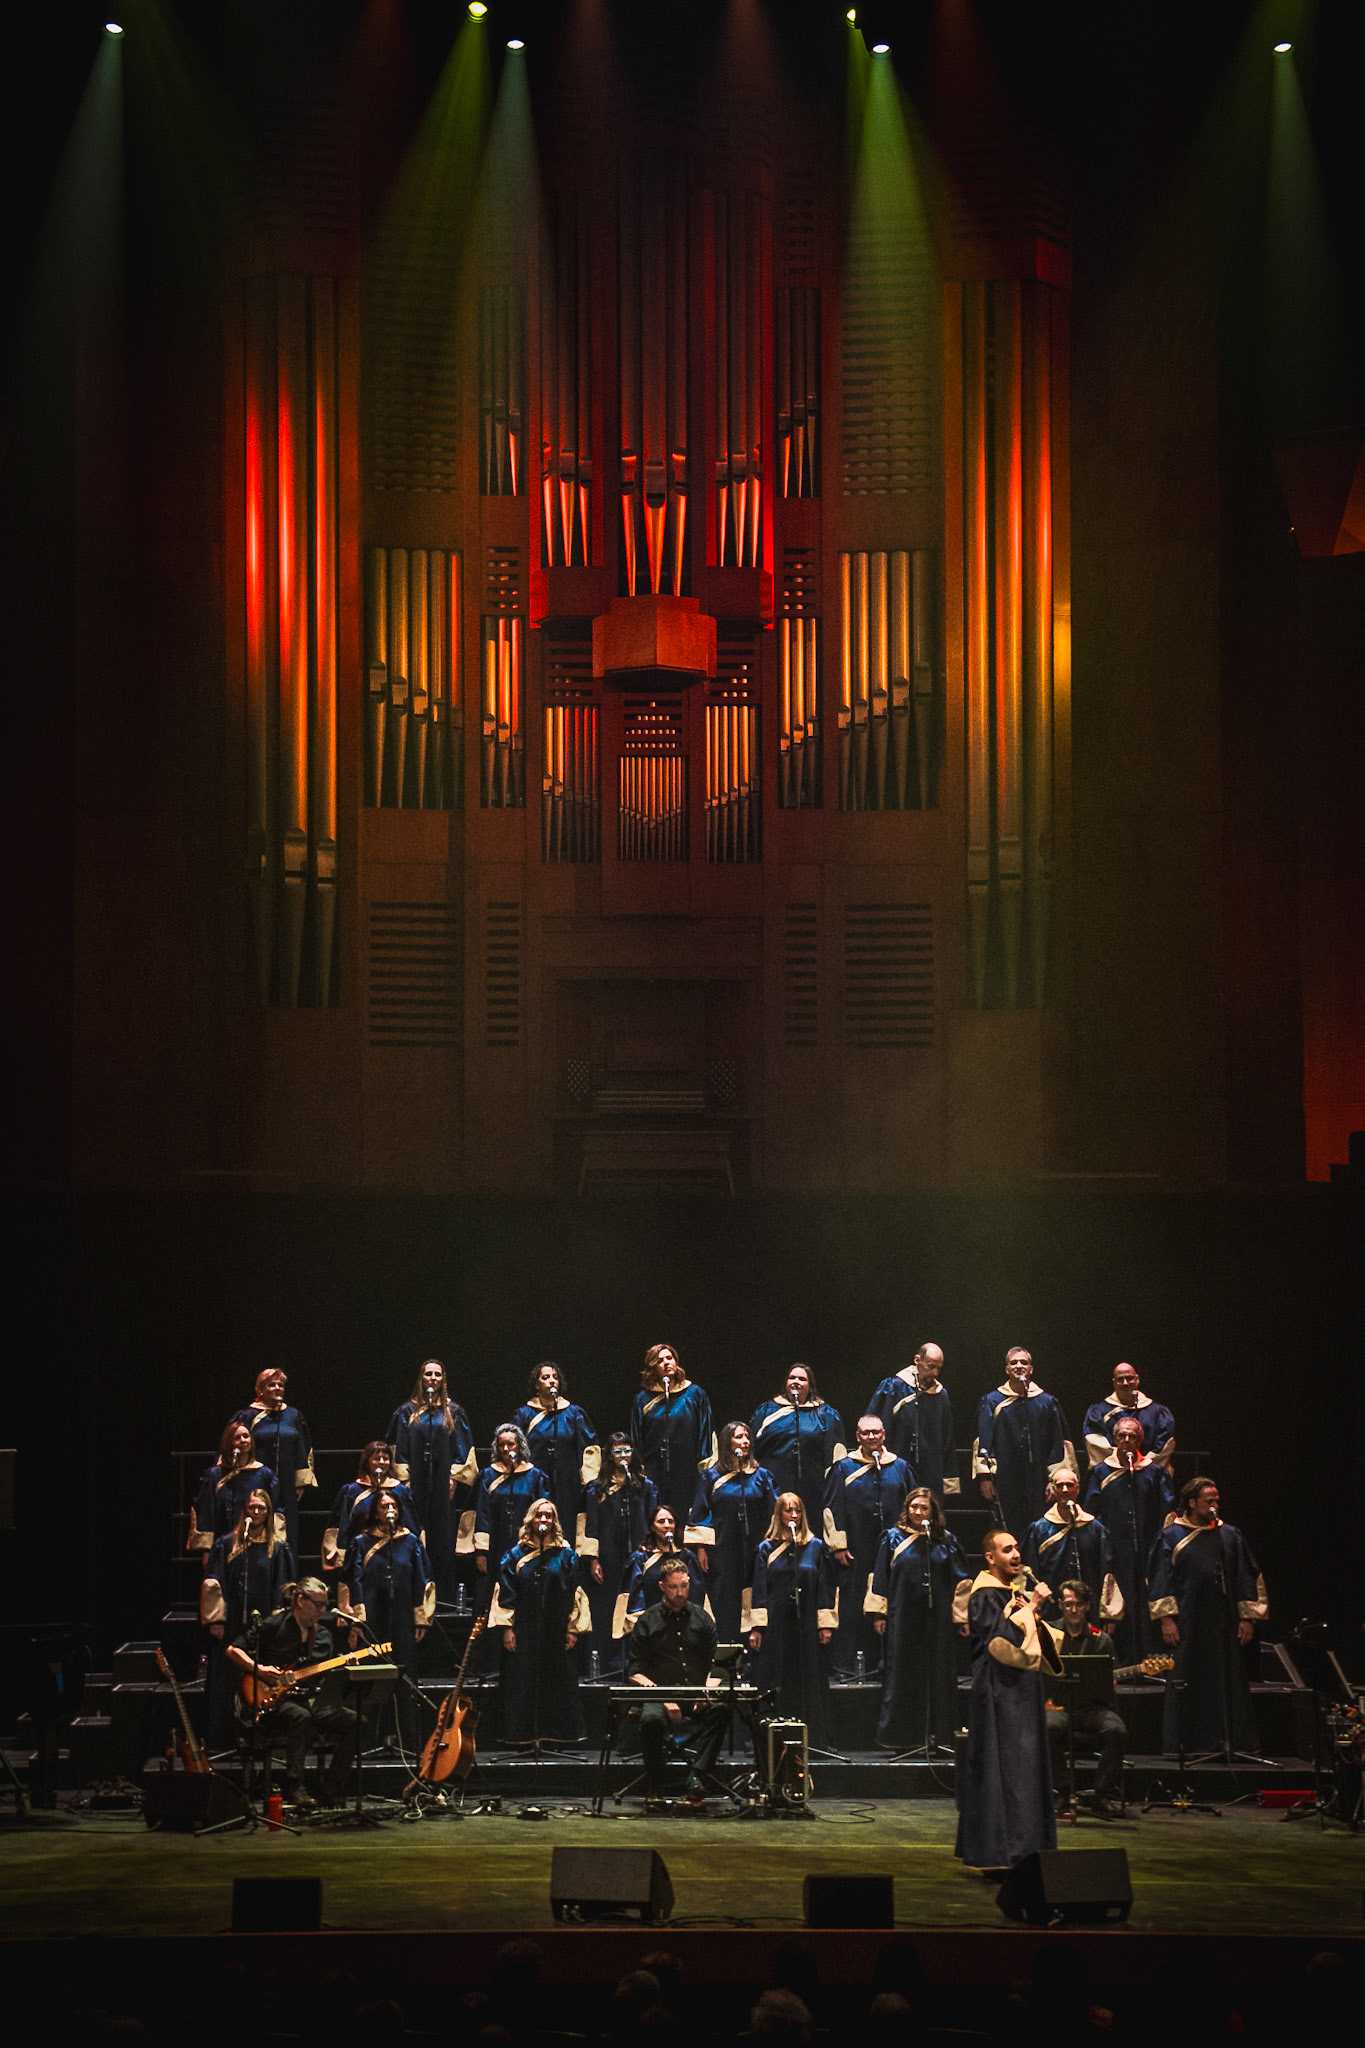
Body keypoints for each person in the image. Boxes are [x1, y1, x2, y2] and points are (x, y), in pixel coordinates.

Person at [955, 1528, 1062, 1872]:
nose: (1016, 1555)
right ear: (990, 1558)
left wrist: (1032, 1612)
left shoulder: (1010, 1593)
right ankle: (1005, 1851)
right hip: (999, 1691)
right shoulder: (984, 1595)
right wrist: (1033, 1607)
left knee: (1024, 1767)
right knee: (1006, 1767)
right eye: (1007, 1550)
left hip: (1021, 1689)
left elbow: (1032, 1638)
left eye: (1016, 1548)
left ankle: (1028, 1849)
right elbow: (1000, 1644)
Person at [1148, 1476, 1267, 1756]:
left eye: (1216, 1500)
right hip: (1188, 1622)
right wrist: (1166, 1619)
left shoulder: (1230, 1535)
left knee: (1228, 1681)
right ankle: (1186, 1744)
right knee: (1188, 1679)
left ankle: (1232, 1742)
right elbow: (1159, 1578)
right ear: (1192, 1502)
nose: (1214, 1504)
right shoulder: (1171, 1536)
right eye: (1208, 1500)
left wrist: (1247, 1618)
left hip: (1224, 1623)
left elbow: (1247, 1576)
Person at [226, 1577, 358, 1808]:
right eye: (318, 1604)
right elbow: (233, 1650)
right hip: (272, 1701)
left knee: (355, 1721)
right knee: (301, 1716)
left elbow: (321, 1677)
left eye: (325, 1605)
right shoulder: (275, 1625)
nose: (323, 1610)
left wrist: (343, 1667)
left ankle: (332, 1785)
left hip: (306, 1697)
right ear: (300, 1601)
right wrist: (260, 1670)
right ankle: (294, 1786)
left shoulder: (323, 1636)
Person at [867, 1487, 971, 1753]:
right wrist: (879, 1613)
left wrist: (962, 1618)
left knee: (938, 1672)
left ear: (932, 1512)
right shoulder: (892, 1538)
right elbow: (880, 1577)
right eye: (914, 1507)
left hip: (937, 1618)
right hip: (903, 1617)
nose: (918, 1512)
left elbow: (961, 1582)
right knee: (905, 1674)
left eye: (924, 1507)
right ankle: (904, 1738)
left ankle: (940, 1735)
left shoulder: (946, 1540)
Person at [626, 1554, 731, 1803]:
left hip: (695, 1695)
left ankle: (697, 1775)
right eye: (674, 1587)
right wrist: (661, 1696)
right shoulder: (647, 1621)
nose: (680, 1592)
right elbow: (634, 1672)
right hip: (659, 1697)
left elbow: (717, 1667)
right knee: (651, 1720)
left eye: (684, 1586)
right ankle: (656, 1783)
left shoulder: (702, 1618)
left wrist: (706, 1691)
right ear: (662, 1586)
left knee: (721, 1710)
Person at [200, 1487, 297, 1746]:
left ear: (268, 1512)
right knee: (227, 1677)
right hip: (232, 1621)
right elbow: (214, 1581)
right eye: (251, 1507)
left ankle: (261, 1740)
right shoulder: (226, 1544)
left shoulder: (278, 1548)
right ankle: (224, 1738)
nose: (255, 1512)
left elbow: (284, 1587)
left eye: (261, 1508)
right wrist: (216, 1618)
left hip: (263, 1623)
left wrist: (278, 1623)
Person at [493, 1498, 591, 1747]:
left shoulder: (566, 1555)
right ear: (531, 1519)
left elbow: (576, 1593)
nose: (543, 1519)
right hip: (524, 1630)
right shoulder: (515, 1555)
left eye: (548, 1515)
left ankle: (556, 1736)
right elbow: (505, 1593)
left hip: (556, 1630)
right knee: (522, 1681)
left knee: (556, 1681)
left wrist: (572, 1629)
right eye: (539, 1515)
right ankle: (522, 1736)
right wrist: (507, 1629)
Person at [339, 1492, 434, 1744]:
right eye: (384, 1506)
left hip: (402, 1617)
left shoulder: (410, 1542)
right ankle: (369, 1737)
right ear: (375, 1511)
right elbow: (352, 1582)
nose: (389, 1509)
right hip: (372, 1618)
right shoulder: (361, 1542)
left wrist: (421, 1618)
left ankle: (407, 1738)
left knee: (404, 1674)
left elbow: (422, 1579)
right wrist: (357, 1621)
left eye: (393, 1505)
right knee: (373, 1674)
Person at [823, 1416, 913, 1674]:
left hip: (892, 1548)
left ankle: (890, 1664)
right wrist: (838, 1545)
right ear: (858, 1436)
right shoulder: (843, 1468)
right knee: (854, 1603)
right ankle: (850, 1664)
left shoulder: (900, 1467)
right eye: (866, 1433)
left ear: (883, 1434)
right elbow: (831, 1507)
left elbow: (913, 1504)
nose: (871, 1437)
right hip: (855, 1546)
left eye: (875, 1432)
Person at [748, 1492, 837, 1746]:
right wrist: (757, 1627)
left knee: (808, 1677)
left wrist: (825, 1624)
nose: (794, 1516)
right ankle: (773, 1738)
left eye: (798, 1511)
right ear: (779, 1514)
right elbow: (758, 1588)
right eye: (788, 1511)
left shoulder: (815, 1547)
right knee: (776, 1677)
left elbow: (826, 1587)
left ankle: (814, 1737)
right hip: (776, 1624)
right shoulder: (766, 1549)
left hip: (806, 1623)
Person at [1084, 1413, 1174, 1662]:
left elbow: (1165, 1513)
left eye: (1131, 1436)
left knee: (1146, 1601)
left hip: (1148, 1548)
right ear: (1114, 1439)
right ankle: (1121, 1662)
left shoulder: (1155, 1473)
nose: (1126, 1440)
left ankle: (1150, 1659)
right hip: (1114, 1551)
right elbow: (1091, 1512)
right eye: (1121, 1436)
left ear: (1139, 1440)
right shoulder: (1101, 1473)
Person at [387, 1360, 477, 1605]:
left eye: (438, 1374)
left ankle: (443, 1598)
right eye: (429, 1374)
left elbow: (463, 1448)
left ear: (443, 1379)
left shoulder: (453, 1412)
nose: (433, 1378)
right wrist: (404, 1479)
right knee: (414, 1535)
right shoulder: (406, 1411)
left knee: (442, 1540)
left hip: (442, 1485)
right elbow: (397, 1448)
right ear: (422, 1378)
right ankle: (414, 1597)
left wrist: (453, 1477)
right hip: (413, 1484)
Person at [685, 1421, 777, 1643]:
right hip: (723, 1548)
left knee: (754, 1591)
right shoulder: (711, 1477)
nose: (745, 1441)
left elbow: (773, 1510)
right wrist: (702, 1548)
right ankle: (726, 1645)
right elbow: (701, 1511)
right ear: (727, 1442)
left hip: (754, 1546)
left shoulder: (762, 1476)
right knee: (725, 1595)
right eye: (738, 1437)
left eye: (747, 1437)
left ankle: (752, 1644)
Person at [973, 1348, 1075, 1544]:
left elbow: (1058, 1443)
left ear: (1031, 1369)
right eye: (1013, 1362)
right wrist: (985, 1477)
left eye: (1023, 1362)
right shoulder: (992, 1401)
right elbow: (983, 1441)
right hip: (1005, 1480)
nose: (1019, 1366)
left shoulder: (1046, 1402)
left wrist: (1055, 1480)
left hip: (1038, 1479)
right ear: (1006, 1369)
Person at [1046, 1579, 1128, 1818]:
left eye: (1079, 1605)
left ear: (1087, 1606)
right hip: (1059, 1706)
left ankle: (1101, 1794)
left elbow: (1110, 1682)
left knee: (1117, 1730)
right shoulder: (1049, 1633)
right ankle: (1063, 1792)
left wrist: (1109, 1683)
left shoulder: (1101, 1640)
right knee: (1047, 1727)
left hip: (1091, 1709)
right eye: (1068, 1604)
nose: (1073, 1610)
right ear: (1060, 1605)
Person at [578, 1433, 658, 1672]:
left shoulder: (644, 1486)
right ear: (610, 1456)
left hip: (638, 1556)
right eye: (617, 1451)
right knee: (608, 1609)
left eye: (627, 1451)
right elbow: (589, 1525)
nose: (623, 1456)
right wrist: (593, 1559)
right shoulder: (597, 1488)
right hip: (608, 1556)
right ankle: (606, 1664)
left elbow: (653, 1519)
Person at [749, 1366, 846, 1532]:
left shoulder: (825, 1414)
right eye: (792, 1378)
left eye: (802, 1379)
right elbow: (752, 1449)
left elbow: (835, 1456)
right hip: (773, 1484)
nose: (796, 1382)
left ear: (810, 1385)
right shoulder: (766, 1411)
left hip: (812, 1487)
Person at [1023, 1469, 1122, 1629]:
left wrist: (1109, 1614)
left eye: (1069, 1485)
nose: (1065, 1490)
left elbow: (1107, 1572)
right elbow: (1030, 1573)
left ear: (1077, 1488)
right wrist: (1032, 1609)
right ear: (1053, 1489)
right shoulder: (1039, 1530)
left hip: (1088, 1612)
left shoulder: (1095, 1529)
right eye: (1060, 1485)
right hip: (1051, 1612)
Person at [630, 1344, 716, 1529]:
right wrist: (640, 1469)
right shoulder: (643, 1399)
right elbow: (636, 1437)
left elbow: (705, 1431)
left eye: (669, 1358)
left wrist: (705, 1469)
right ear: (653, 1367)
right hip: (654, 1468)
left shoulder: (694, 1394)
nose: (666, 1363)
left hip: (687, 1469)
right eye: (660, 1360)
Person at [513, 1360, 600, 1541]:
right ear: (537, 1385)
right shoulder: (524, 1415)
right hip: (535, 1480)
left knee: (567, 1523)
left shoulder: (573, 1414)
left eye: (555, 1377)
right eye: (545, 1377)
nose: (552, 1381)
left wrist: (590, 1483)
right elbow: (515, 1446)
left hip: (568, 1482)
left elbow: (588, 1449)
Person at [232, 1369, 316, 1553]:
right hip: (255, 1480)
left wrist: (300, 1481)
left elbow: (303, 1447)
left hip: (286, 1483)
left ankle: (285, 1568)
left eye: (280, 1385)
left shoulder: (293, 1415)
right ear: (260, 1390)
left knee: (287, 1532)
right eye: (272, 1385)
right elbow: (233, 1443)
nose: (277, 1388)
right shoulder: (247, 1416)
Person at [866, 1342, 961, 1501]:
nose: (935, 1373)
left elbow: (947, 1438)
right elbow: (872, 1425)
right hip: (895, 1465)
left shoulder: (941, 1395)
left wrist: (948, 1476)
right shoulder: (894, 1387)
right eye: (931, 1367)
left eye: (939, 1368)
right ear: (917, 1360)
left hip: (930, 1469)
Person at [473, 1424, 550, 1601]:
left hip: (526, 1543)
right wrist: (481, 1551)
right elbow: (482, 1513)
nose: (506, 1449)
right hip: (495, 1544)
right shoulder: (488, 1476)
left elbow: (544, 1511)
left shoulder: (535, 1477)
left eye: (511, 1444)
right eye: (501, 1445)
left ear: (519, 1446)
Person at [322, 1440, 420, 1572]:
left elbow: (411, 1525)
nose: (381, 1462)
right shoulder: (352, 1491)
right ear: (367, 1461)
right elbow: (341, 1525)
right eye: (376, 1458)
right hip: (360, 1555)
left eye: (385, 1459)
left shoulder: (400, 1491)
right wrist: (340, 1556)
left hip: (395, 1555)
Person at [187, 1421, 281, 1554]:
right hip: (222, 1541)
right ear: (228, 1443)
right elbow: (206, 1510)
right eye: (237, 1438)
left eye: (246, 1436)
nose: (243, 1440)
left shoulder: (264, 1475)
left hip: (257, 1543)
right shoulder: (215, 1475)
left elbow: (276, 1508)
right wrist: (207, 1549)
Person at [617, 1504, 709, 1639]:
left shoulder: (686, 1557)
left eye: (670, 1521)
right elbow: (635, 1596)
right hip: (652, 1628)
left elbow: (697, 1593)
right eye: (661, 1521)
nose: (667, 1526)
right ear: (653, 1527)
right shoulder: (641, 1558)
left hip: (683, 1626)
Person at [1083, 1361, 1176, 1469]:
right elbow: (1095, 1441)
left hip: (1149, 1473)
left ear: (1137, 1379)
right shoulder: (1098, 1412)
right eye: (1120, 1379)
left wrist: (1144, 1465)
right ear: (1114, 1382)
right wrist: (1119, 1461)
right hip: (1111, 1473)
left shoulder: (1158, 1412)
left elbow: (1165, 1444)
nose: (1125, 1383)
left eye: (1129, 1378)